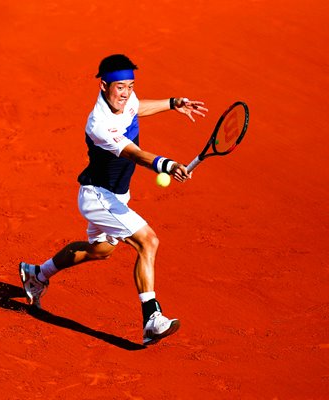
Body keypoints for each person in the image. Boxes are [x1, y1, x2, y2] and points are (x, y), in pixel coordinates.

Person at [19, 54, 208, 345]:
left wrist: (172, 103)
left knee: (101, 251)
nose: (126, 93)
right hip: (98, 196)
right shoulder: (99, 124)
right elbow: (132, 153)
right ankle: (151, 319)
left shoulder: (126, 99)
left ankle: (38, 274)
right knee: (148, 241)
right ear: (104, 86)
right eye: (120, 87)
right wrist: (166, 164)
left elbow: (137, 108)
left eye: (131, 86)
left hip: (116, 194)